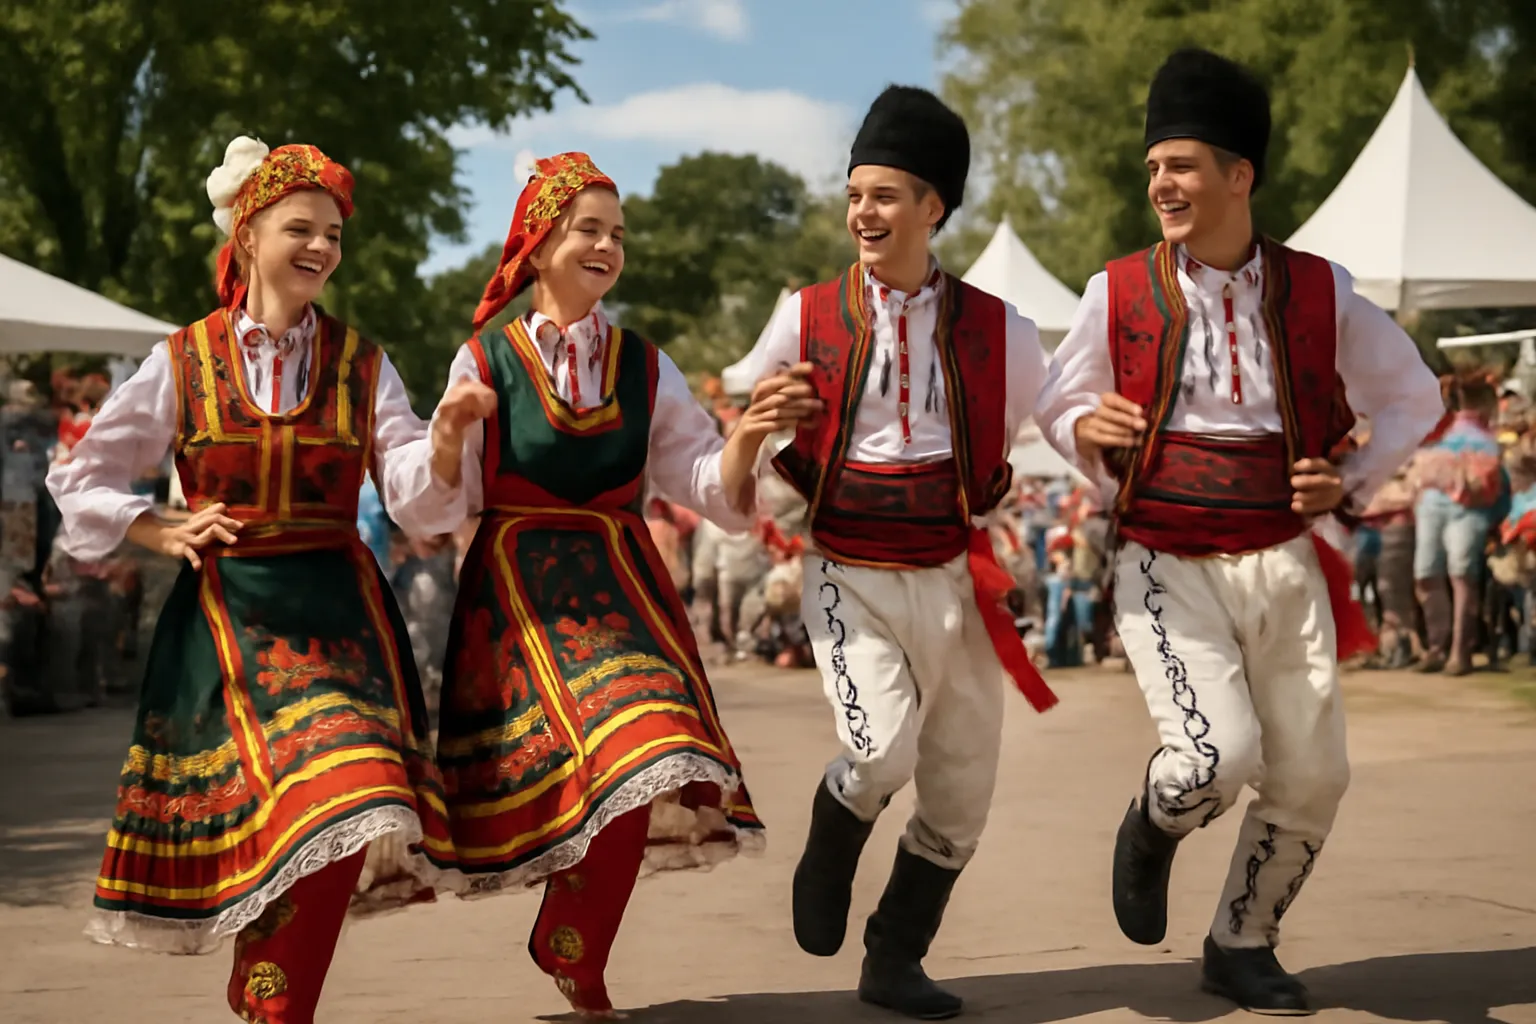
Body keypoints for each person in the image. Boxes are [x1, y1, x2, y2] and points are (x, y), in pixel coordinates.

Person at [1035, 48, 1443, 1014]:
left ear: (1239, 176)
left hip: (1283, 556)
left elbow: (1412, 394)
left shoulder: (1320, 289)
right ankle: (1151, 822)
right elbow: (1056, 403)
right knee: (1214, 756)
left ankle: (1240, 943)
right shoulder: (1116, 291)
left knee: (1313, 775)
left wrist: (1346, 480)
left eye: (1178, 164)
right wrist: (1084, 426)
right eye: (1153, 169)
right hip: (1163, 557)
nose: (1161, 184)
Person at [45, 136, 451, 1023]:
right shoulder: (183, 359)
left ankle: (275, 999)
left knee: (358, 789)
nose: (321, 248)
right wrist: (153, 523)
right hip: (228, 627)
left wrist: (450, 436)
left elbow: (419, 495)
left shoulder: (362, 362)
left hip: (341, 619)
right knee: (281, 818)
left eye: (334, 234)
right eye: (301, 228)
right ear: (248, 234)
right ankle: (275, 999)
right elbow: (80, 477)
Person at [406, 152, 819, 1018]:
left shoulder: (645, 363)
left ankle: (572, 942)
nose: (606, 245)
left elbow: (704, 479)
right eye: (587, 228)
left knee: (658, 748)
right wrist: (446, 436)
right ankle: (576, 946)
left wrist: (749, 435)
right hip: (520, 598)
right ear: (540, 242)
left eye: (617, 233)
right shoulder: (485, 357)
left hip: (625, 589)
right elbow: (435, 507)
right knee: (602, 764)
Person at [744, 85, 1055, 1020]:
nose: (863, 213)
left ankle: (894, 959)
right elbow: (747, 442)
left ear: (935, 207)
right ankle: (831, 840)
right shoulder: (802, 317)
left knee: (961, 793)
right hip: (848, 572)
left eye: (884, 194)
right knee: (879, 752)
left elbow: (1065, 429)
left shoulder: (1007, 331)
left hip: (958, 580)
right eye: (854, 195)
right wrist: (756, 454)